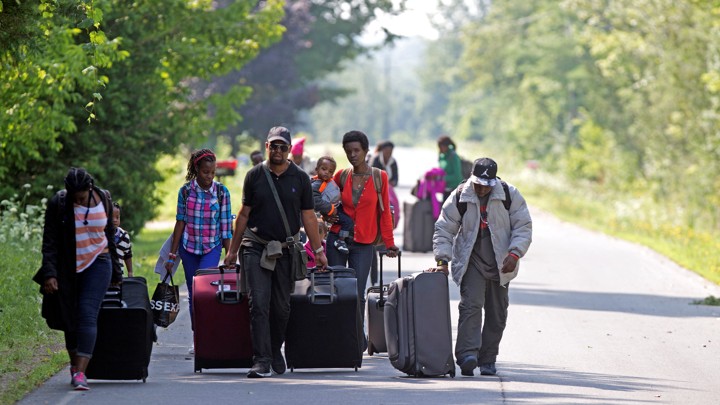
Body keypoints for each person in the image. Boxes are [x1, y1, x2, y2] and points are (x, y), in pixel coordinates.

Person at [223, 126, 327, 378]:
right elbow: (244, 214)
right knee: (258, 304)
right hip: (255, 246)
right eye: (274, 146)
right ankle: (261, 360)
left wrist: (318, 249)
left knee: (281, 308)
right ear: (267, 146)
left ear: (289, 150)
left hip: (286, 249)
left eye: (283, 147)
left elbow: (309, 217)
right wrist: (232, 250)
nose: (278, 151)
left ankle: (273, 348)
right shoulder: (254, 175)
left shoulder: (300, 178)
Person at [431, 158, 532, 377]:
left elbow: (523, 226)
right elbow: (444, 228)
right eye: (478, 183)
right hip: (472, 260)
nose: (482, 188)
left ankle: (488, 358)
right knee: (471, 307)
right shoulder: (460, 195)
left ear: (494, 181)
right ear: (471, 179)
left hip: (501, 262)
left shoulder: (509, 194)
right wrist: (442, 260)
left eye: (487, 184)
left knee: (497, 313)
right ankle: (467, 355)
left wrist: (515, 253)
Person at [33, 167, 123, 391]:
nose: (78, 199)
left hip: (99, 264)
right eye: (74, 195)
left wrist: (117, 271)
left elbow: (109, 235)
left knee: (86, 313)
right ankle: (75, 367)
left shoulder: (103, 198)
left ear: (89, 188)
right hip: (68, 268)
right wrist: (50, 273)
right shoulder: (60, 203)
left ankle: (81, 372)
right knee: (68, 319)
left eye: (81, 196)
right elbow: (50, 241)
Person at [326, 130, 399, 349]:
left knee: (356, 295)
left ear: (366, 151)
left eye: (357, 150)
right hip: (337, 239)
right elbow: (325, 202)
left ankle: (356, 338)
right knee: (337, 292)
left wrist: (389, 243)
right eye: (348, 151)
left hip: (364, 244)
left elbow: (385, 213)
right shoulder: (341, 176)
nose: (352, 155)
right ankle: (338, 338)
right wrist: (327, 215)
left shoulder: (379, 177)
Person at [164, 149, 233, 354]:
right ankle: (198, 339)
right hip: (189, 248)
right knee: (194, 296)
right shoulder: (185, 192)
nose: (209, 177)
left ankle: (209, 337)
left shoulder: (222, 192)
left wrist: (230, 255)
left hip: (212, 248)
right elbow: (180, 222)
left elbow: (226, 225)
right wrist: (172, 254)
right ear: (197, 169)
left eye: (212, 173)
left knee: (206, 294)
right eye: (205, 172)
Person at [311, 156, 354, 254]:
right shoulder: (317, 184)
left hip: (336, 206)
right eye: (324, 169)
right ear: (317, 169)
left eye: (330, 171)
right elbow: (315, 201)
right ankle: (340, 241)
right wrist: (330, 209)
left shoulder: (327, 182)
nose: (327, 173)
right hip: (333, 210)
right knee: (348, 222)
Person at [438, 135, 463, 201]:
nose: (440, 149)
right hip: (445, 189)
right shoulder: (442, 156)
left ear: (446, 146)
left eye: (441, 147)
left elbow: (457, 176)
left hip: (454, 190)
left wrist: (443, 178)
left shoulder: (453, 157)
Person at [112, 202, 133, 277]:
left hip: (119, 275)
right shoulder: (103, 235)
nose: (115, 220)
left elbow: (128, 255)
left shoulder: (124, 236)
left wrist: (130, 272)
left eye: (117, 217)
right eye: (111, 217)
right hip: (104, 275)